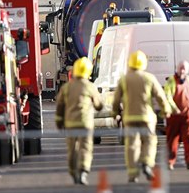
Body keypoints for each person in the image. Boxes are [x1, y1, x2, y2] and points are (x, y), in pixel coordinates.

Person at [112, 50, 171, 183]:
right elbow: (160, 96)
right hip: (147, 118)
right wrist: (166, 110)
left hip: (130, 118)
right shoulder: (149, 78)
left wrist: (115, 113)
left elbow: (116, 100)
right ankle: (147, 163)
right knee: (150, 141)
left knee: (132, 145)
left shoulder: (124, 79)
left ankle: (133, 174)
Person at [55, 57, 103, 186]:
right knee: (85, 148)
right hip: (86, 124)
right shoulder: (90, 86)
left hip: (70, 123)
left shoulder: (66, 87)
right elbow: (98, 105)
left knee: (72, 150)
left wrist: (59, 122)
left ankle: (73, 172)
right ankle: (83, 171)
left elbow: (60, 107)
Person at [164, 60, 189, 171]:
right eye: (181, 68)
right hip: (174, 116)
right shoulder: (171, 81)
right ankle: (170, 161)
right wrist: (174, 109)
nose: (182, 70)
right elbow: (167, 96)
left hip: (187, 115)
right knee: (172, 140)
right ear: (177, 69)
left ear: (188, 70)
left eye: (184, 68)